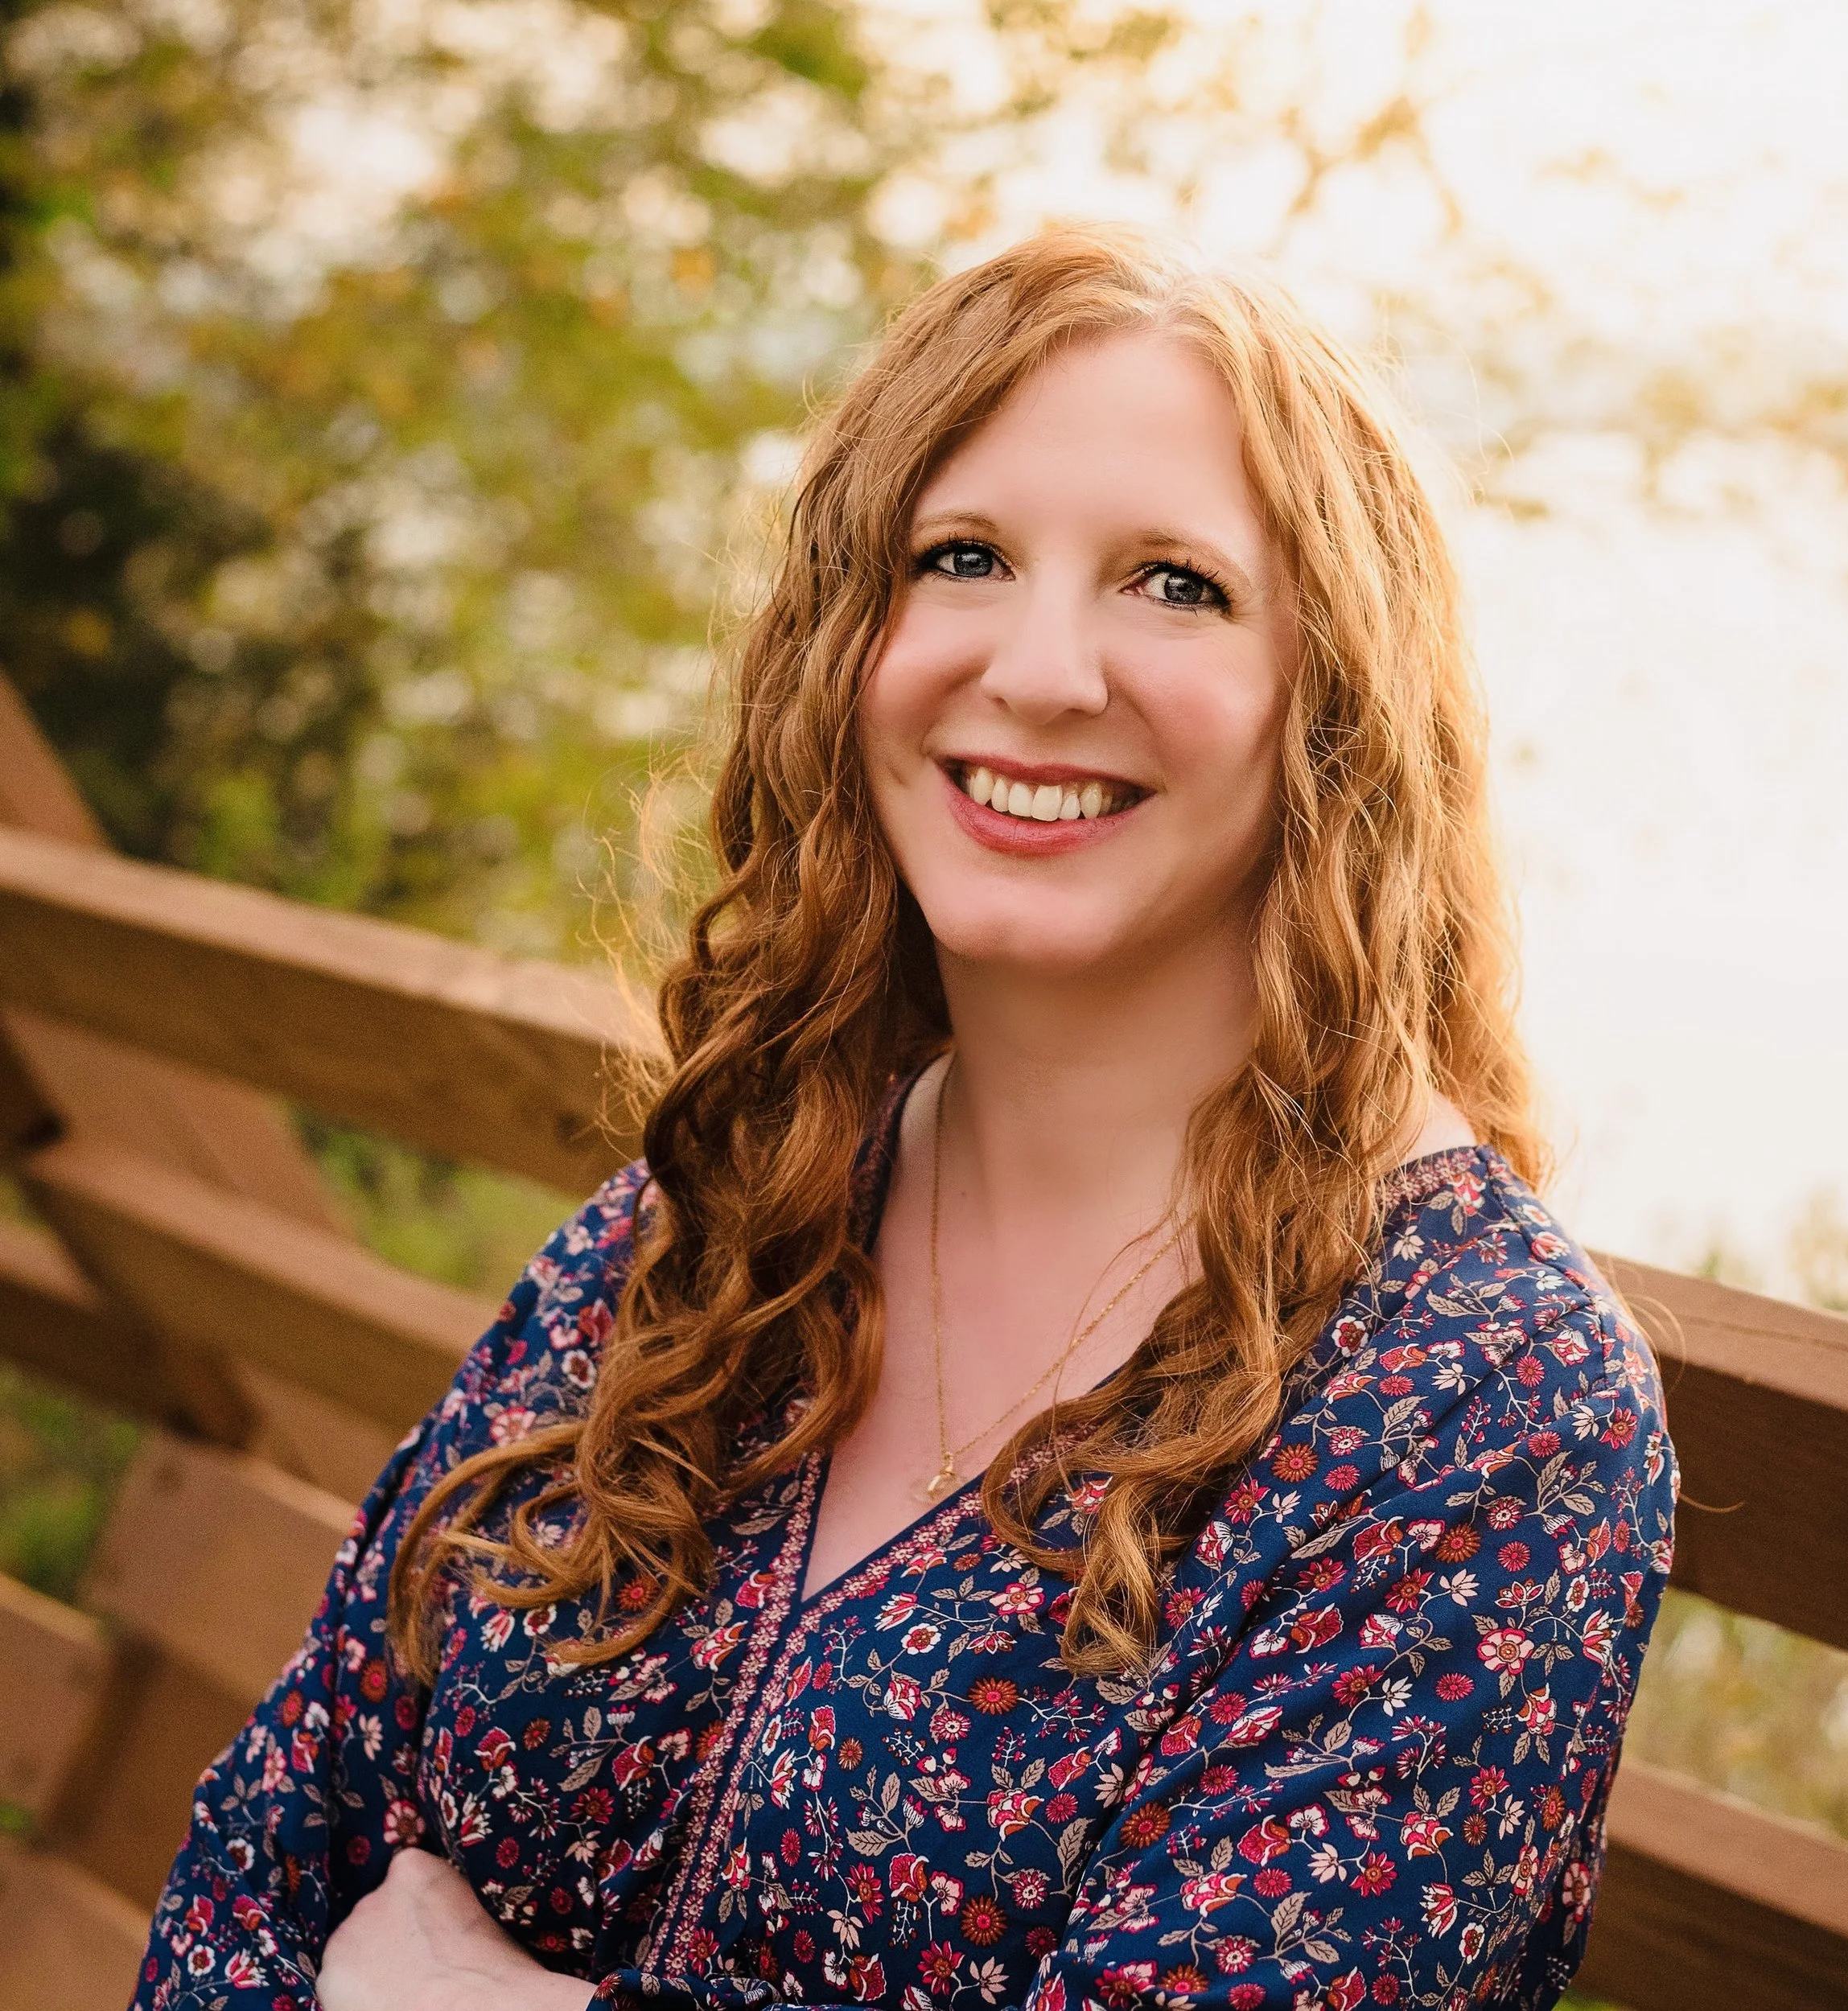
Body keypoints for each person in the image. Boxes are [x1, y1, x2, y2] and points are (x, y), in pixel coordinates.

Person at [131, 226, 1674, 2011]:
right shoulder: (722, 1210)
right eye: (961, 557)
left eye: (1171, 584)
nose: (1036, 667)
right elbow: (274, 1838)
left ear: (1331, 698)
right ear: (843, 639)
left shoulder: (1481, 1400)